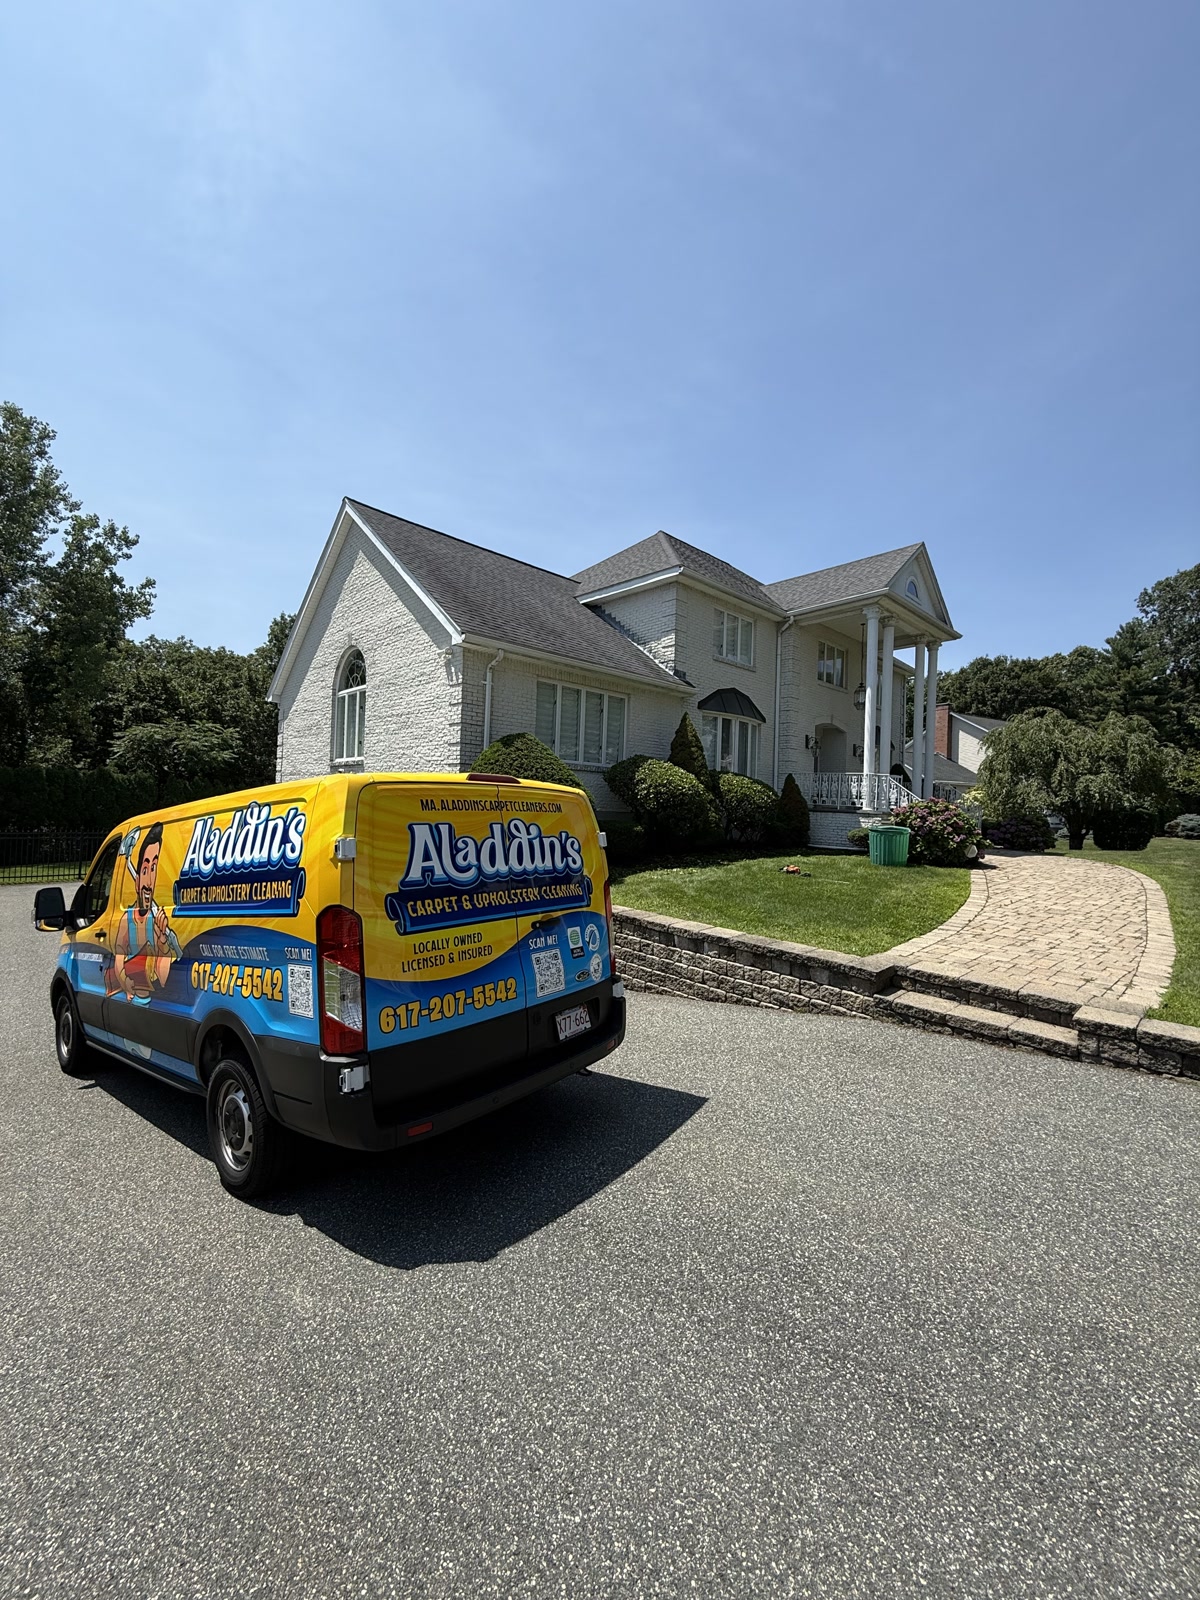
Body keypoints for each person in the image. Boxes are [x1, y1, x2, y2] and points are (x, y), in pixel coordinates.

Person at [113, 822, 175, 1003]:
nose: (149, 881)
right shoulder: (127, 918)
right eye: (146, 868)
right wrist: (125, 982)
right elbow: (118, 959)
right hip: (131, 998)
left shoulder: (156, 922)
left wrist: (163, 940)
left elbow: (162, 979)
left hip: (151, 1001)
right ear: (137, 879)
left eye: (154, 868)